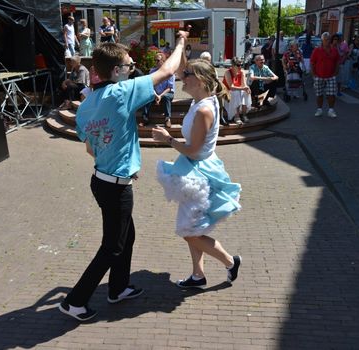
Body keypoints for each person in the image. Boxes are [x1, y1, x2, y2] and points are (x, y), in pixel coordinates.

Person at [58, 30, 190, 322]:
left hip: (103, 180)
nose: (132, 71)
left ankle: (118, 288)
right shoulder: (123, 91)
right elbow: (168, 69)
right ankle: (74, 301)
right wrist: (180, 41)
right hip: (115, 187)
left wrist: (122, 160)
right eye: (129, 67)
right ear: (116, 71)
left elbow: (91, 149)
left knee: (126, 237)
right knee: (112, 246)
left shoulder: (87, 104)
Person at [151, 59, 242, 290]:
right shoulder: (202, 100)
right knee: (194, 228)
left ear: (200, 81)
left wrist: (168, 139)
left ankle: (230, 262)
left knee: (189, 232)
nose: (183, 76)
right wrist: (181, 41)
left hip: (198, 173)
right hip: (194, 168)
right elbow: (180, 68)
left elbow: (194, 151)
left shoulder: (203, 109)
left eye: (188, 74)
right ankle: (198, 275)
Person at [139, 53, 175, 128]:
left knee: (166, 97)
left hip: (167, 93)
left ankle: (167, 119)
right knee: (146, 98)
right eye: (155, 60)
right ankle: (145, 119)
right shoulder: (152, 71)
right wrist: (155, 95)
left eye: (157, 60)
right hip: (155, 93)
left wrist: (160, 96)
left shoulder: (169, 72)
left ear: (163, 61)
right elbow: (151, 85)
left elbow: (169, 88)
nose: (155, 62)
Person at [310, 32, 339, 118]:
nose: (327, 41)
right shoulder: (317, 50)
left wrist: (336, 72)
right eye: (325, 39)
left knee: (332, 94)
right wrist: (314, 74)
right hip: (319, 76)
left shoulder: (334, 50)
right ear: (322, 40)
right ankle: (319, 109)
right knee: (319, 94)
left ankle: (331, 110)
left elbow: (337, 61)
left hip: (331, 76)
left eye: (329, 39)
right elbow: (312, 62)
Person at [223, 57, 252, 124]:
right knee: (236, 92)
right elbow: (231, 87)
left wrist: (247, 88)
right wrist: (243, 88)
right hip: (228, 93)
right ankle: (237, 116)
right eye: (238, 65)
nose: (240, 67)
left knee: (245, 92)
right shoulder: (227, 72)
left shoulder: (242, 72)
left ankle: (244, 115)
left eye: (241, 65)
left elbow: (243, 84)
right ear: (233, 65)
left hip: (238, 91)